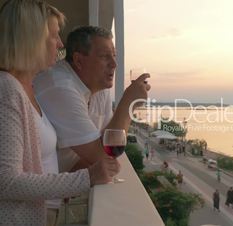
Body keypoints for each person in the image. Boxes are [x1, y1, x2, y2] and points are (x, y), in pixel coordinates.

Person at [0, 1, 119, 225]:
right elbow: (5, 181)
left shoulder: (26, 87)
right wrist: (88, 178)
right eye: (54, 36)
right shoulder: (6, 90)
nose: (60, 44)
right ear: (30, 38)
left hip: (39, 211)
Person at [34, 25, 150, 173]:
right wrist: (128, 104)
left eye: (114, 56)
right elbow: (102, 156)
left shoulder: (99, 86)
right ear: (78, 60)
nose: (114, 64)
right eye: (104, 56)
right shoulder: (60, 87)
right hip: (46, 190)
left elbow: (107, 142)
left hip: (69, 182)